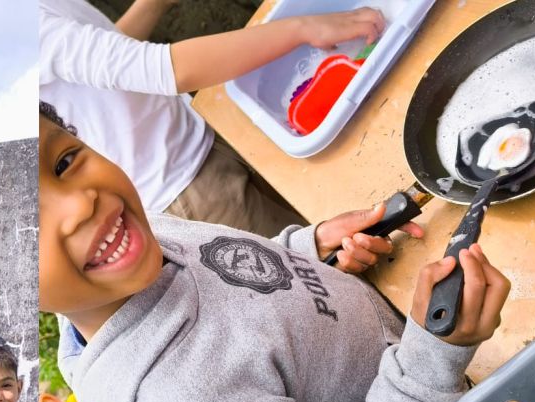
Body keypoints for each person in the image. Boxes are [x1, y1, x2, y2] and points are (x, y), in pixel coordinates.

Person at [38, 104, 511, 402]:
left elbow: (229, 268)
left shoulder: (137, 234)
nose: (81, 205)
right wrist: (434, 355)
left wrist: (311, 250)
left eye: (63, 162)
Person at [42, 0, 387, 233]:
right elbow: (164, 69)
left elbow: (100, 61)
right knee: (340, 267)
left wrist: (152, 5)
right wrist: (304, 28)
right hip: (185, 192)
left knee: (351, 219)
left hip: (197, 135)